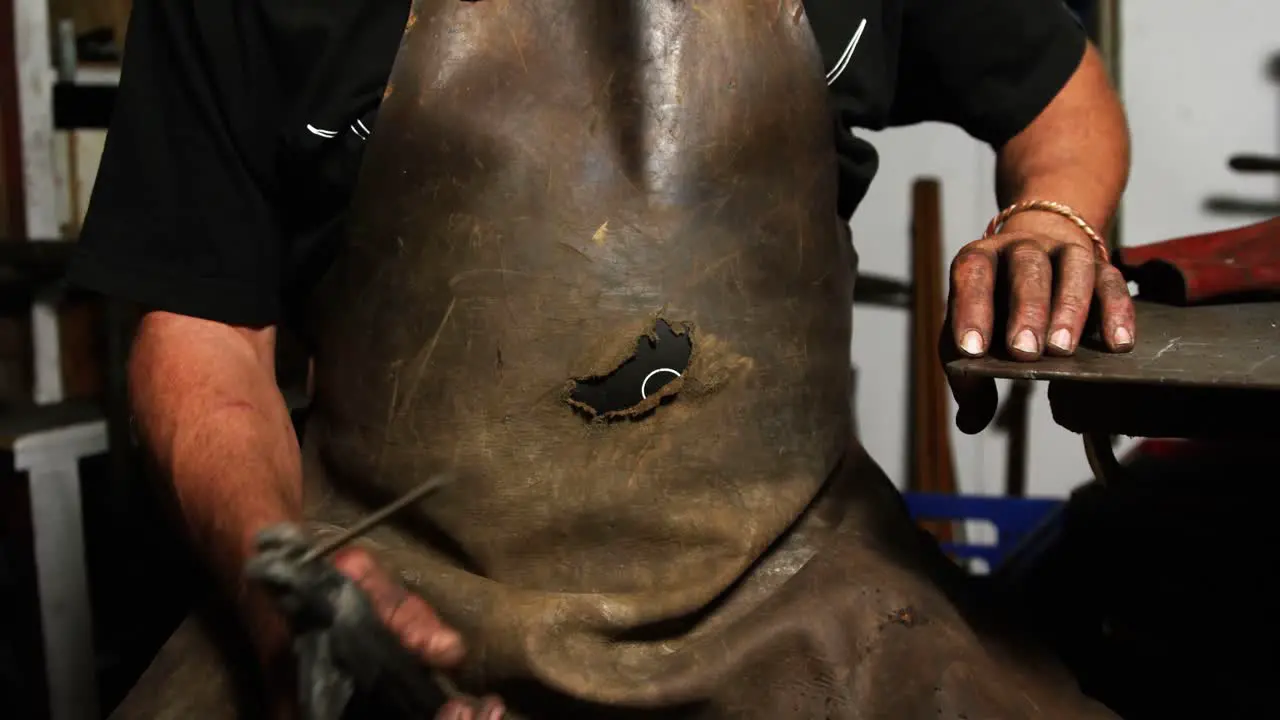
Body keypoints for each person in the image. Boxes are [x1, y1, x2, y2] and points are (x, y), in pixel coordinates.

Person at [68, 0, 1134, 718]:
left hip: (804, 585)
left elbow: (1066, 104)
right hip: (382, 588)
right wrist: (282, 594)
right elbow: (199, 334)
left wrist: (1049, 215)